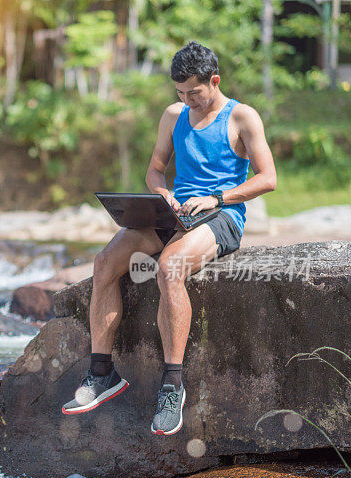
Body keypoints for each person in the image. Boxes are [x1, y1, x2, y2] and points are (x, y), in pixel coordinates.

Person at [62, 41, 277, 435]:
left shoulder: (242, 117)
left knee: (169, 267)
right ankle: (102, 372)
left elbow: (268, 179)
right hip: (173, 215)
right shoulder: (173, 115)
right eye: (180, 93)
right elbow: (156, 170)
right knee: (105, 262)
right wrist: (163, 195)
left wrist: (215, 197)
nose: (187, 100)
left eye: (194, 92)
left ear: (214, 81)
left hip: (222, 215)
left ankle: (172, 385)